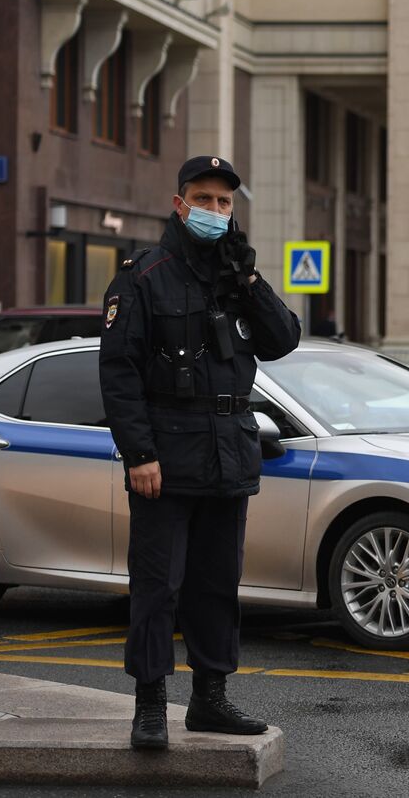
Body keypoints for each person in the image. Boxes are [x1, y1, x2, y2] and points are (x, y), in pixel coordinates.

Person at [99, 156, 301, 751]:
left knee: (216, 584)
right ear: (178, 203)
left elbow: (283, 340)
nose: (215, 211)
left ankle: (210, 699)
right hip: (164, 457)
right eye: (204, 199)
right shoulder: (143, 276)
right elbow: (119, 374)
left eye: (225, 203)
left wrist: (251, 280)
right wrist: (138, 454)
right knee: (157, 586)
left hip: (228, 455)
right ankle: (151, 704)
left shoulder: (236, 276)